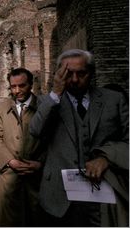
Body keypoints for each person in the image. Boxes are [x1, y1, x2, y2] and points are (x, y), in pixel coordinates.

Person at [30, 49, 129, 226]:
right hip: (59, 196)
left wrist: (106, 158)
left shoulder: (114, 100)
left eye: (81, 74)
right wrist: (55, 93)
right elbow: (36, 130)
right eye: (68, 74)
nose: (74, 80)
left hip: (103, 192)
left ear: (91, 73)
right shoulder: (48, 101)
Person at [0, 67, 46, 226]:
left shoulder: (44, 107)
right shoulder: (2, 107)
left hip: (36, 175)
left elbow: (53, 139)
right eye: (13, 87)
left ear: (31, 84)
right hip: (10, 175)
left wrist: (40, 163)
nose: (17, 90)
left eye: (22, 85)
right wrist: (9, 161)